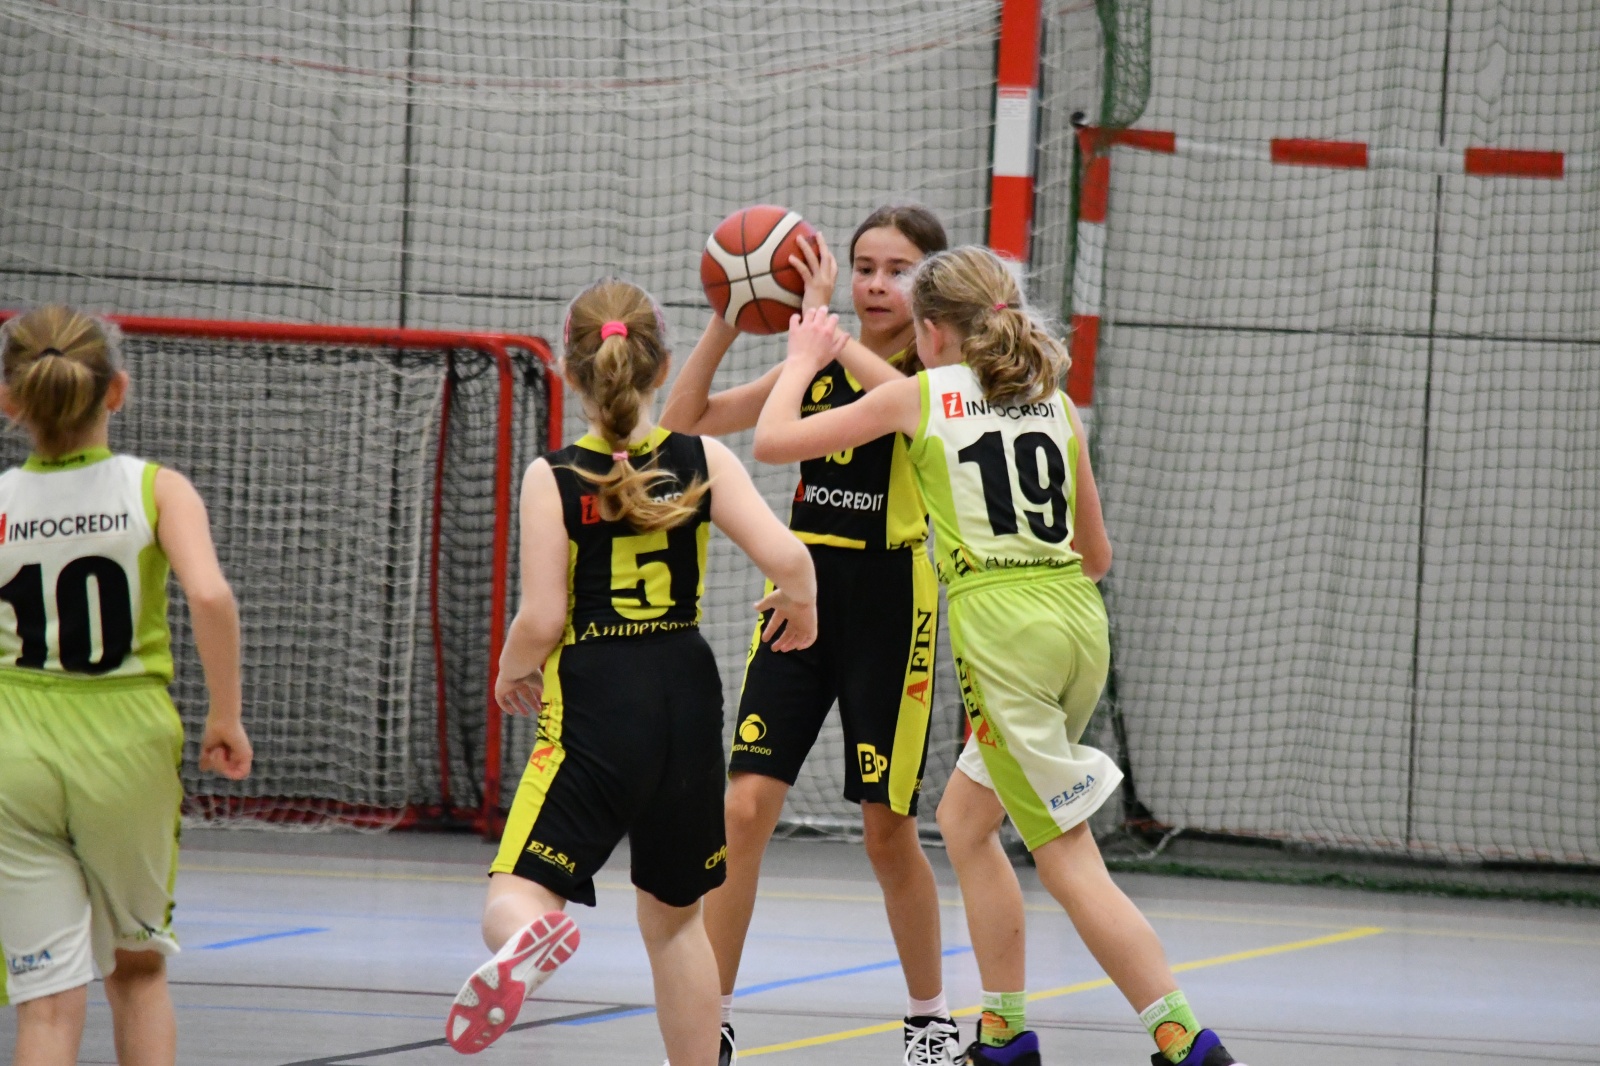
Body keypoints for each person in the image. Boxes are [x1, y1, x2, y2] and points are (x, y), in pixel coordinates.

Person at [752, 249, 1249, 1066]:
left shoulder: (920, 395)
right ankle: (1004, 1033)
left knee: (1066, 853)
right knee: (965, 820)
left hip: (1004, 632)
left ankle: (1185, 1040)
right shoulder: (1054, 401)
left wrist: (806, 356)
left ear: (931, 332)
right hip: (1077, 623)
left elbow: (773, 441)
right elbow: (1096, 555)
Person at [444, 280, 818, 1066]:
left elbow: (542, 617)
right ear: (663, 368)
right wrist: (801, 607)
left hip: (596, 693)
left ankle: (526, 939)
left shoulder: (553, 477)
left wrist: (511, 672)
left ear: (571, 371)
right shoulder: (701, 458)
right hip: (686, 691)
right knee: (677, 921)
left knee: (517, 887)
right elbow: (790, 558)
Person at [661, 205, 961, 1066]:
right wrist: (732, 311)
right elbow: (683, 423)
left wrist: (817, 329)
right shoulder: (816, 359)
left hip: (890, 604)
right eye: (862, 266)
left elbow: (880, 390)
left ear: (931, 287)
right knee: (743, 807)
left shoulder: (940, 375)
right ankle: (713, 1015)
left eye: (898, 270)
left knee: (886, 830)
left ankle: (930, 1019)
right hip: (800, 595)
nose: (875, 284)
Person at [0, 305, 252, 1066]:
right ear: (118, 390)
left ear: (11, 401)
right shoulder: (156, 488)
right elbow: (209, 595)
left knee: (46, 1002)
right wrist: (226, 716)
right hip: (124, 738)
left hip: (14, 740)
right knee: (137, 974)